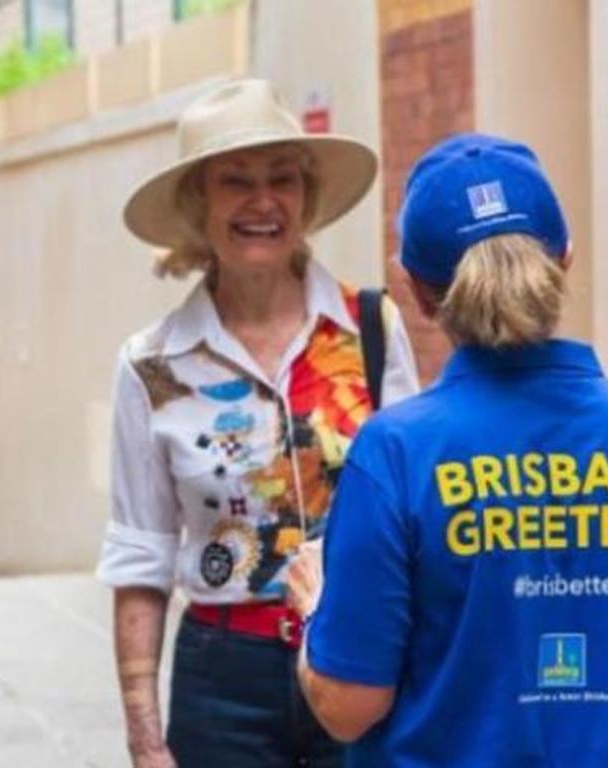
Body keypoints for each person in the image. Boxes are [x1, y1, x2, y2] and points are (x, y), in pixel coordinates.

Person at [288, 133, 608, 766]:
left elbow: (347, 706)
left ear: (416, 288)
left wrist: (317, 608)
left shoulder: (396, 452)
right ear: (565, 258)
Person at [95, 78, 420, 767]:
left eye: (281, 179)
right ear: (198, 206)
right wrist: (146, 743)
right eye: (235, 181)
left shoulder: (370, 330)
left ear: (306, 198)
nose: (262, 201)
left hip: (359, 657)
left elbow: (418, 519)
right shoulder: (154, 365)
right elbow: (141, 558)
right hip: (222, 681)